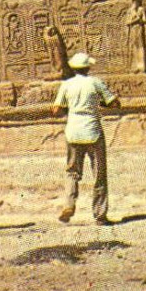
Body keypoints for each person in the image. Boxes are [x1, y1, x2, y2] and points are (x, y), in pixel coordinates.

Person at [53, 52, 118, 225]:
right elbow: (112, 103)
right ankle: (100, 214)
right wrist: (101, 104)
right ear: (88, 67)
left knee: (72, 171)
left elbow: (56, 110)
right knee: (99, 174)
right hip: (92, 131)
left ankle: (69, 205)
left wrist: (72, 110)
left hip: (73, 131)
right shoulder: (95, 83)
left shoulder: (66, 85)